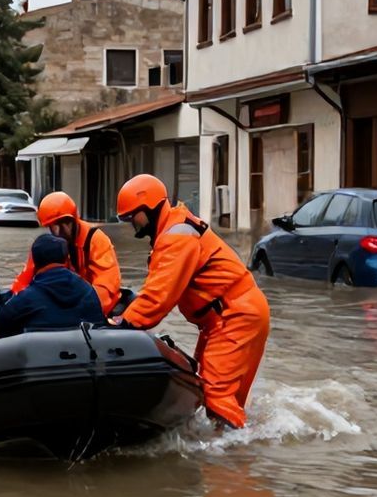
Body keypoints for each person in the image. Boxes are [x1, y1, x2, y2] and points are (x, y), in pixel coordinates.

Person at [112, 174, 270, 430]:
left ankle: (231, 463)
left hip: (234, 316)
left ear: (150, 207)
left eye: (133, 216)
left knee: (216, 396)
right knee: (212, 391)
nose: (132, 223)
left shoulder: (176, 237)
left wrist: (124, 323)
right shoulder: (173, 230)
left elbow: (158, 298)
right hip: (228, 316)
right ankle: (236, 439)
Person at [10, 192, 121, 316]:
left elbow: (106, 288)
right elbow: (25, 278)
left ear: (74, 220)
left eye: (66, 223)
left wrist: (79, 313)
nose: (61, 231)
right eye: (55, 226)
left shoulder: (96, 240)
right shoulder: (47, 247)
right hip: (65, 305)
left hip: (92, 307)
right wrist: (11, 303)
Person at [0, 234, 105, 337]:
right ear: (66, 258)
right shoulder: (88, 290)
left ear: (34, 262)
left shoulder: (27, 297)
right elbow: (99, 324)